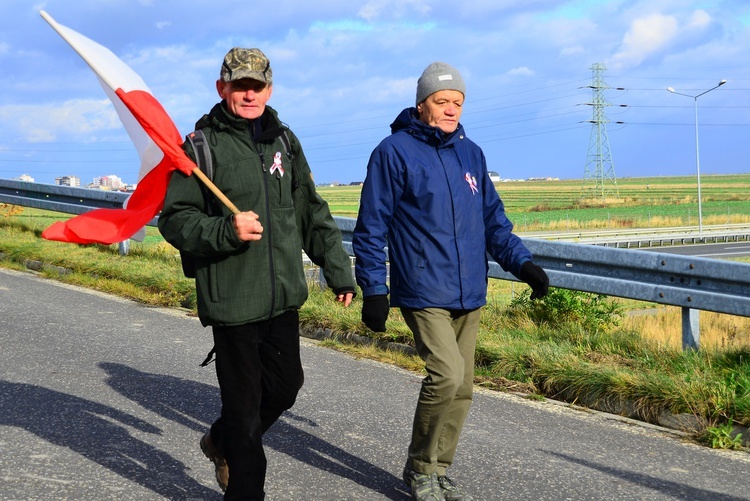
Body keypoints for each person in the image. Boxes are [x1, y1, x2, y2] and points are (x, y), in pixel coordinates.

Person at [158, 47, 356, 500]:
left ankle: (218, 440)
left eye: (257, 85)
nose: (249, 93)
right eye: (240, 85)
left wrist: (337, 269)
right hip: (232, 300)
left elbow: (310, 209)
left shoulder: (283, 140)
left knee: (285, 389)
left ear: (270, 88)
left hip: (283, 295)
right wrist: (228, 228)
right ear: (221, 87)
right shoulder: (199, 147)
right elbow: (175, 219)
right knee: (245, 416)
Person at [352, 62, 549, 501]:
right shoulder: (394, 152)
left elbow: (493, 223)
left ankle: (439, 469)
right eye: (442, 102)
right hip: (423, 289)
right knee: (445, 375)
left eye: (457, 102)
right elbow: (371, 226)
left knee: (462, 387)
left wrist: (523, 265)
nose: (450, 109)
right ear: (422, 104)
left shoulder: (471, 153)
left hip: (469, 290)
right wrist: (374, 289)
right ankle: (421, 467)